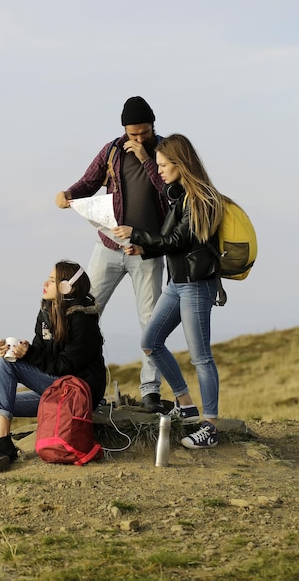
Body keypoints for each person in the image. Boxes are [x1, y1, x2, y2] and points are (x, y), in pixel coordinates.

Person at [55, 96, 168, 412]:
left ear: (152, 127)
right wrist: (67, 195)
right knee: (84, 312)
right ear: (124, 130)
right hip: (108, 248)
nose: (137, 138)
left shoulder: (164, 152)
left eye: (143, 132)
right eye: (132, 134)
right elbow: (89, 182)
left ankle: (150, 392)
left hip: (148, 252)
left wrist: (146, 156)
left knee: (151, 322)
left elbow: (169, 191)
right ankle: (78, 385)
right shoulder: (111, 151)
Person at [113, 134, 225, 448]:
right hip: (177, 283)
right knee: (150, 341)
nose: (159, 171)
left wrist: (137, 233)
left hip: (196, 287)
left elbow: (178, 241)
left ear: (180, 163)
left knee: (201, 358)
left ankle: (210, 427)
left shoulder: (200, 198)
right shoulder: (181, 195)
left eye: (163, 165)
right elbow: (173, 241)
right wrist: (143, 248)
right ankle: (186, 404)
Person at [0, 260, 106, 474]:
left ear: (66, 287)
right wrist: (15, 351)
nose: (45, 283)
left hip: (78, 393)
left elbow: (65, 367)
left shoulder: (83, 320)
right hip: (56, 390)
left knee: (7, 366)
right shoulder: (46, 313)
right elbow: (41, 352)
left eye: (52, 280)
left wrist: (26, 355)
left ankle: (4, 442)